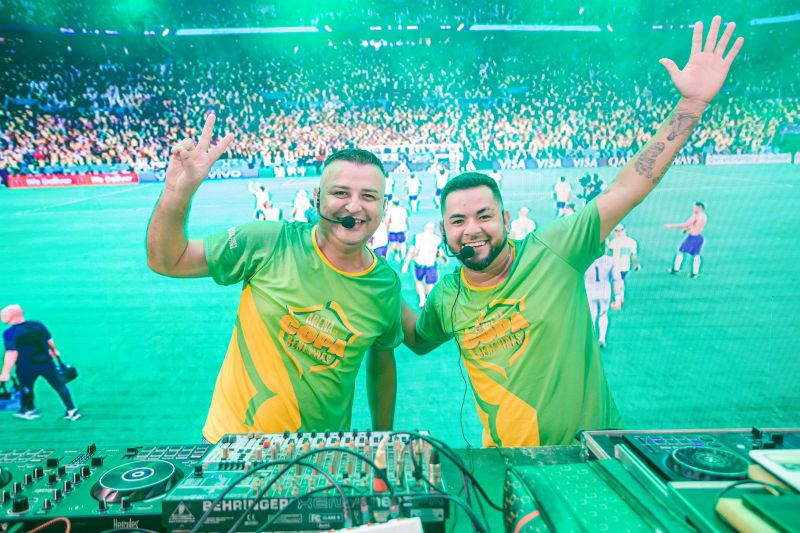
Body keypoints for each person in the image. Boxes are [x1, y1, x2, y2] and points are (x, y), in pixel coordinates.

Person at [401, 16, 743, 446]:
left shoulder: (556, 248)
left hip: (595, 452)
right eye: (458, 221)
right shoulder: (447, 297)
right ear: (443, 230)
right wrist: (374, 283)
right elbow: (418, 339)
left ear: (506, 219)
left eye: (484, 216)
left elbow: (629, 187)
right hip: (510, 465)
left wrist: (691, 104)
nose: (472, 229)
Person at [146, 117, 402, 443]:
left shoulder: (385, 285)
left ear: (383, 206)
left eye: (368, 196)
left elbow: (382, 360)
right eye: (340, 192)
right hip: (235, 449)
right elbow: (166, 260)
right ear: (317, 198)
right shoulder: (268, 241)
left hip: (322, 455)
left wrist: (383, 438)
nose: (354, 206)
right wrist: (177, 193)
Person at [0, 305, 80, 421]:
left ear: (10, 316)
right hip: (46, 362)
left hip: (26, 367)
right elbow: (49, 339)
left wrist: (5, 373)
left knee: (26, 388)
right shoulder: (37, 325)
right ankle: (72, 410)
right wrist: (54, 351)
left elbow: (12, 353)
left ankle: (29, 410)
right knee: (59, 385)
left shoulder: (10, 333)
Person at [402, 222, 449, 308]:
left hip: (419, 264)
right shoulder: (437, 239)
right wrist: (445, 260)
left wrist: (406, 264)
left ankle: (422, 299)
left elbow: (411, 251)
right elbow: (441, 254)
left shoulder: (417, 237)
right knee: (430, 283)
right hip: (431, 264)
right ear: (433, 229)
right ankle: (428, 300)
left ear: (425, 228)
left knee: (419, 281)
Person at [585, 250, 622, 348]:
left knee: (592, 315)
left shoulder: (586, 259)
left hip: (590, 292)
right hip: (604, 292)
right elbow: (616, 279)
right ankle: (602, 338)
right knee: (603, 315)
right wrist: (617, 297)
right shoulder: (610, 260)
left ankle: (591, 340)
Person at [665, 201, 707, 278]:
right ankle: (695, 273)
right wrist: (687, 229)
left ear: (699, 208)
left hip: (692, 238)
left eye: (695, 207)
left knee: (681, 252)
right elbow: (696, 225)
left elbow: (685, 224)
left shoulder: (696, 216)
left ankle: (676, 269)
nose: (693, 208)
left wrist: (670, 226)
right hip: (699, 238)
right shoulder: (704, 216)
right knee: (696, 255)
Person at [607, 224, 640, 309]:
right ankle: (621, 297)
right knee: (621, 281)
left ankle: (617, 301)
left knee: (617, 282)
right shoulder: (631, 242)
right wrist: (636, 264)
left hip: (616, 266)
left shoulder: (614, 242)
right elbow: (633, 255)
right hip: (626, 266)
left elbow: (609, 250)